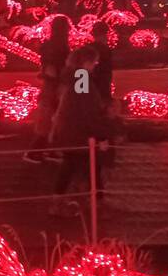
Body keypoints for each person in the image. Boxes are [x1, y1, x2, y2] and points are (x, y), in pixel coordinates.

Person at [48, 45, 115, 217]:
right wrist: (101, 135)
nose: (96, 65)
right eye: (94, 62)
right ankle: (96, 203)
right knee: (92, 167)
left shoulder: (72, 78)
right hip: (79, 132)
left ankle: (60, 201)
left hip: (69, 131)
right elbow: (86, 109)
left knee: (71, 166)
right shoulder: (82, 79)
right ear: (86, 62)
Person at [23, 14, 71, 163]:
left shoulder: (47, 45)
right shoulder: (61, 46)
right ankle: (35, 151)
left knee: (50, 120)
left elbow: (47, 67)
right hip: (56, 86)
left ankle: (48, 150)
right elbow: (56, 67)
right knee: (52, 120)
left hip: (51, 85)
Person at [89, 20, 114, 108]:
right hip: (101, 88)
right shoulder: (104, 50)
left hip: (91, 88)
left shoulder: (87, 49)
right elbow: (106, 73)